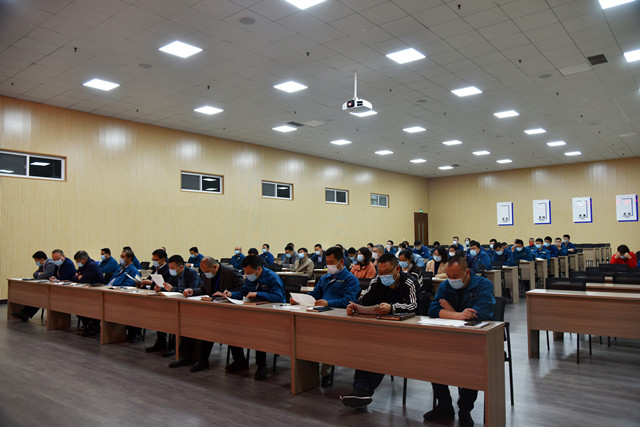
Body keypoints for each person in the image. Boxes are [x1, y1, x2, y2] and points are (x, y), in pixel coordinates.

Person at [424, 256, 495, 427]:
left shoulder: (484, 285)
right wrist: (458, 315)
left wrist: (451, 312)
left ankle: (465, 409)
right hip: (449, 337)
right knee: (434, 360)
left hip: (476, 339)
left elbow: (480, 313)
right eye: (448, 275)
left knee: (472, 366)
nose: (451, 279)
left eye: (455, 276)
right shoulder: (445, 285)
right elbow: (433, 309)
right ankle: (444, 405)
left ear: (467, 272)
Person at [340, 253, 418, 408]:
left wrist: (393, 308)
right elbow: (365, 299)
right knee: (364, 347)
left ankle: (362, 391)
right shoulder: (376, 281)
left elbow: (415, 305)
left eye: (387, 272)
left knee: (383, 351)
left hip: (403, 331)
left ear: (397, 269)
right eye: (380, 272)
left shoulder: (409, 282)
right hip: (380, 328)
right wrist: (355, 306)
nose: (383, 276)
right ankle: (361, 391)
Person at [293, 246, 360, 387]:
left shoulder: (351, 279)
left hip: (338, 317)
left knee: (326, 337)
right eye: (327, 262)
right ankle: (308, 369)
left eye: (331, 262)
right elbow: (315, 294)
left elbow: (349, 301)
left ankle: (327, 370)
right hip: (320, 314)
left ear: (341, 261)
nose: (329, 265)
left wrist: (328, 302)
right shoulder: (325, 278)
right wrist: (300, 299)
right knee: (304, 332)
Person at [223, 255, 285, 379]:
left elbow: (278, 297)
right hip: (254, 310)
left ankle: (261, 365)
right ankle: (239, 360)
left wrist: (258, 294)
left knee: (259, 332)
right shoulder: (251, 277)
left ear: (259, 269)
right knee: (233, 327)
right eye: (245, 273)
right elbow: (243, 292)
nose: (247, 275)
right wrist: (231, 294)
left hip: (272, 314)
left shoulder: (272, 277)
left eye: (249, 272)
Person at [181, 257, 247, 373]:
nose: (205, 274)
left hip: (229, 310)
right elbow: (203, 289)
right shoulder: (206, 274)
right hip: (211, 309)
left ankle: (239, 360)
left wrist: (227, 294)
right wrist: (193, 291)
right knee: (204, 329)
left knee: (230, 332)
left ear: (214, 267)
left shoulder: (231, 272)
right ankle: (201, 359)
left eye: (206, 271)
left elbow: (242, 290)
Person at [162, 255, 202, 368]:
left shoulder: (192, 273)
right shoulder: (174, 274)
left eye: (172, 268)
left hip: (193, 306)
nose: (170, 270)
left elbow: (193, 289)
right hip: (179, 303)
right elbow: (169, 286)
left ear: (181, 267)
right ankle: (171, 347)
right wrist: (161, 288)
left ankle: (185, 354)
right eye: (169, 267)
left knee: (185, 325)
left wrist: (173, 289)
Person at [142, 249, 175, 356]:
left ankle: (169, 344)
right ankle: (161, 342)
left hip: (166, 298)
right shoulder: (155, 268)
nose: (154, 261)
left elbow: (166, 284)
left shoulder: (168, 269)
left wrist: (151, 283)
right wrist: (143, 282)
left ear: (163, 259)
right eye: (153, 259)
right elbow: (150, 279)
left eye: (156, 259)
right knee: (158, 319)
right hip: (155, 295)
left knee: (165, 319)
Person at [108, 249, 143, 342]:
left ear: (130, 258)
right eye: (121, 256)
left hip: (125, 297)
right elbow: (112, 280)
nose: (121, 259)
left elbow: (128, 285)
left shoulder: (133, 270)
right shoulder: (120, 268)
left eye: (123, 257)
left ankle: (135, 332)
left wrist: (115, 288)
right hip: (111, 291)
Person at [11, 251, 56, 322]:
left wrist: (40, 274)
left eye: (36, 260)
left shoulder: (50, 263)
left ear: (42, 260)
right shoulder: (43, 264)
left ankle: (25, 313)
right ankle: (25, 313)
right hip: (46, 286)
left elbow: (45, 275)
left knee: (39, 296)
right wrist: (40, 274)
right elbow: (35, 274)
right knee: (36, 296)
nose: (36, 262)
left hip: (52, 288)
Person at [71, 250, 103, 336]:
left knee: (83, 305)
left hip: (96, 290)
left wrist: (79, 277)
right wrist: (78, 277)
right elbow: (74, 277)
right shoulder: (83, 265)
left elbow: (84, 279)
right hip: (86, 289)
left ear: (84, 259)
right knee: (76, 304)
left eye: (78, 261)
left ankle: (93, 325)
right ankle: (87, 324)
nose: (77, 263)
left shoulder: (92, 265)